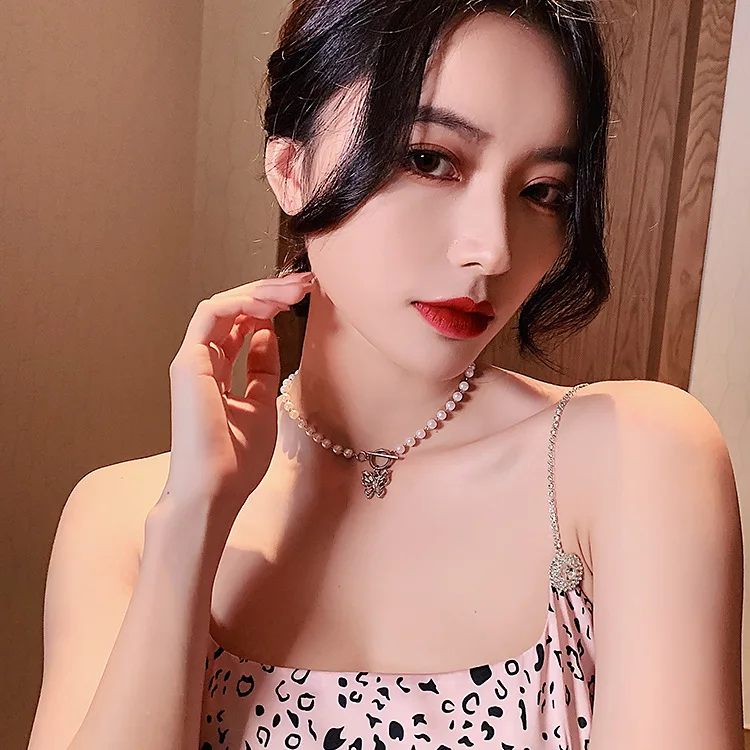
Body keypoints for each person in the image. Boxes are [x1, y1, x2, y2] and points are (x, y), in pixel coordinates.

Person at [28, 1, 744, 749]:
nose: (492, 249)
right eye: (430, 160)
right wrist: (191, 526)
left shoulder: (635, 458)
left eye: (542, 192)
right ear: (291, 169)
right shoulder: (122, 519)